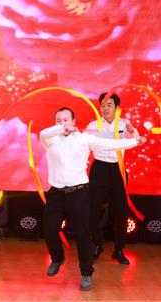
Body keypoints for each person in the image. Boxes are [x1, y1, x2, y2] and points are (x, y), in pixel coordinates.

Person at [39, 107, 145, 291]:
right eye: (58, 120)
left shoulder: (84, 139)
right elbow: (43, 133)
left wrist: (134, 142)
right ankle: (57, 258)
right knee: (49, 230)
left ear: (74, 121)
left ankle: (86, 273)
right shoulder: (50, 140)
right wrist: (60, 129)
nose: (62, 123)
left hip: (78, 194)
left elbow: (109, 144)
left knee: (82, 234)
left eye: (66, 120)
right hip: (55, 193)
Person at [86, 93, 139, 265]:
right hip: (99, 168)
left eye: (109, 105)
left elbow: (135, 139)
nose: (105, 108)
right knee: (92, 210)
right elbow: (83, 143)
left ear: (117, 108)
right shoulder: (93, 125)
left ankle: (119, 250)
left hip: (118, 169)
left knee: (122, 212)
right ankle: (97, 244)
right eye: (102, 105)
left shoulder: (125, 123)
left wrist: (131, 132)